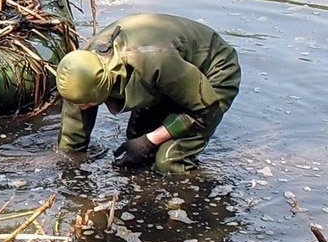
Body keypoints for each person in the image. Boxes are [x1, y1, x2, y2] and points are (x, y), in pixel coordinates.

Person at [55, 13, 241, 175]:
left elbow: (206, 109)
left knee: (168, 162)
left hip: (212, 70)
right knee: (135, 143)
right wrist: (70, 167)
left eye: (87, 104)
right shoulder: (80, 70)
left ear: (104, 88)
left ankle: (190, 201)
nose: (81, 107)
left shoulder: (155, 60)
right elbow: (72, 142)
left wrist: (150, 141)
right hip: (170, 78)